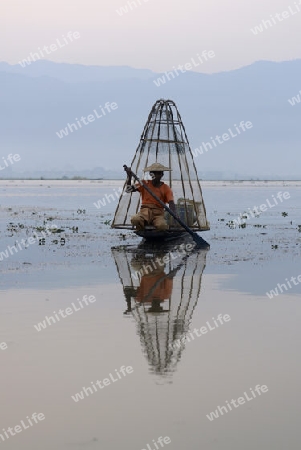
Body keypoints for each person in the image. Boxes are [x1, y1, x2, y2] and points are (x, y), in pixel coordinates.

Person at [124, 163, 177, 231]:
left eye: (158, 173)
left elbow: (171, 202)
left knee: (162, 226)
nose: (156, 176)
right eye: (153, 173)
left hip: (158, 214)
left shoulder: (166, 188)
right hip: (145, 212)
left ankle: (153, 226)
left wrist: (174, 214)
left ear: (162, 175)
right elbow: (128, 190)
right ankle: (145, 224)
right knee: (135, 219)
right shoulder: (144, 183)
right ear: (150, 174)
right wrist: (129, 176)